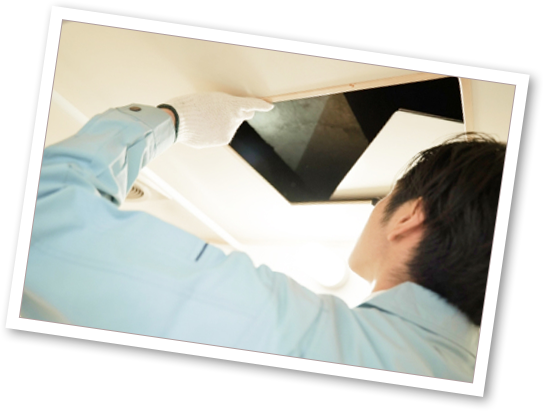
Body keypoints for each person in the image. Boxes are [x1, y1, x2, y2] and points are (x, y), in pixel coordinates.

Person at [21, 92, 506, 382]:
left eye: (385, 197)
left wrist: (172, 118)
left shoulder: (300, 330)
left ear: (409, 218)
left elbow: (35, 211)